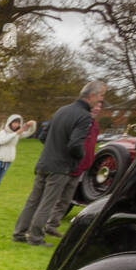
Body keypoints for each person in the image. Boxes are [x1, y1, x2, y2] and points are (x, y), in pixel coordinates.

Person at [13, 80, 106, 246]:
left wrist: (53, 149)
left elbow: (43, 136)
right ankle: (35, 238)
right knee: (47, 203)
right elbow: (75, 144)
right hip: (61, 167)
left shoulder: (61, 110)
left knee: (33, 200)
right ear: (92, 96)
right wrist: (79, 158)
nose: (100, 101)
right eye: (100, 97)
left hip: (44, 162)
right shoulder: (84, 116)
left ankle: (19, 233)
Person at [43, 99, 101, 236]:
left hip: (81, 168)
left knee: (66, 199)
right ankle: (38, 226)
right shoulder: (80, 120)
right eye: (96, 105)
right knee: (52, 196)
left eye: (100, 106)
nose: (97, 108)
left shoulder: (95, 125)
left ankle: (52, 225)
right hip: (67, 165)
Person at [0, 113, 37, 202]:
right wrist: (16, 133)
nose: (16, 124)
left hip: (9, 159)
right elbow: (2, 141)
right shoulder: (3, 132)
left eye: (18, 123)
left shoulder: (19, 134)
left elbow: (30, 132)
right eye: (14, 122)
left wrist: (32, 124)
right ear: (10, 122)